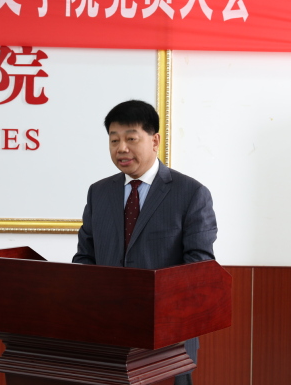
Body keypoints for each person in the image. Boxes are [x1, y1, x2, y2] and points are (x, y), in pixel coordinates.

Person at [73, 100, 217, 385]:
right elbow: (85, 258)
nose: (121, 148)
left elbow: (198, 269)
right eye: (114, 140)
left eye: (131, 139)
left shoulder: (191, 193)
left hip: (168, 341)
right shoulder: (98, 192)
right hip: (106, 337)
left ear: (154, 141)